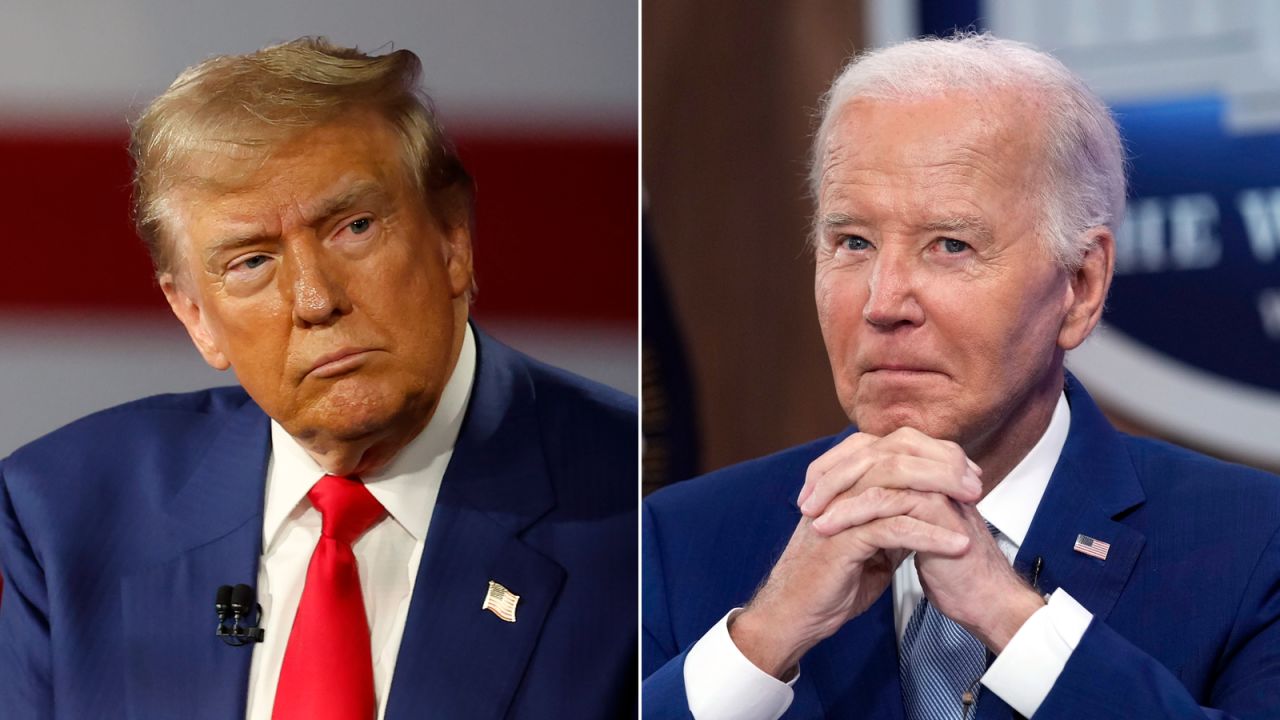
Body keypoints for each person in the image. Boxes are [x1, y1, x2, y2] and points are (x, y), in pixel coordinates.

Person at [642, 33, 1280, 719]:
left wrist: (1015, 622)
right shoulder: (678, 542)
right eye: (853, 242)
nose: (883, 304)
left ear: (1081, 285)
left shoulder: (1254, 544)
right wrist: (762, 643)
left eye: (950, 245)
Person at [0, 38, 636, 720]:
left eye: (353, 227)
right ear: (195, 317)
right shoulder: (67, 515)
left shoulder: (633, 494)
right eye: (250, 262)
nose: (314, 299)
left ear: (453, 237)